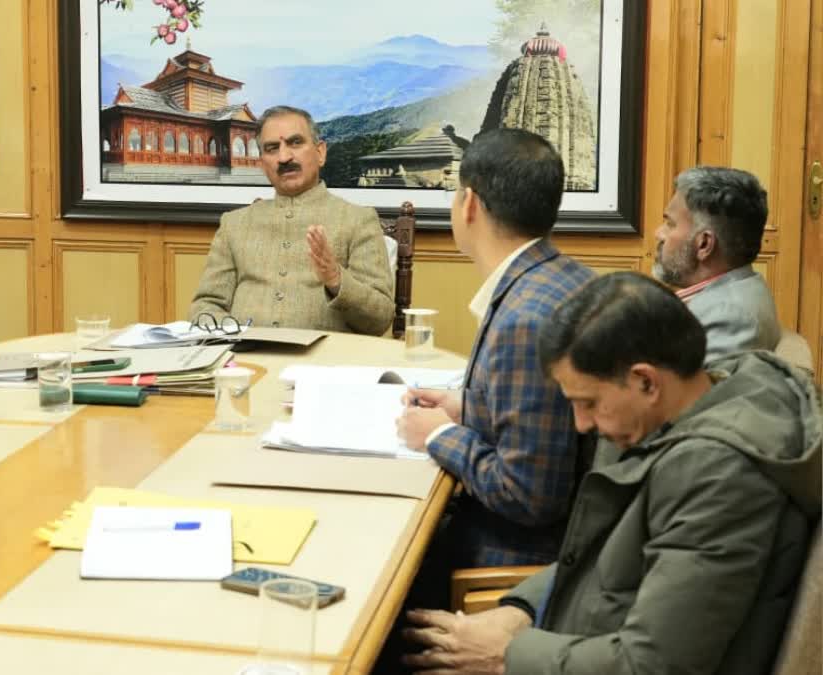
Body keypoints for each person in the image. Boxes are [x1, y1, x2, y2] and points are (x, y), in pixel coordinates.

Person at [402, 272, 819, 675]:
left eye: (589, 403)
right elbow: (602, 557)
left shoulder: (719, 476)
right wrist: (520, 611)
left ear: (645, 382)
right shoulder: (689, 415)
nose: (582, 424)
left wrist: (506, 656)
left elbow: (653, 665)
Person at [396, 128, 594, 573]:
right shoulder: (560, 276)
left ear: (468, 204)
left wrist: (437, 435)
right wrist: (465, 408)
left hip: (510, 561)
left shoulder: (525, 318)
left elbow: (527, 496)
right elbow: (545, 422)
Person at [188, 105, 394, 335]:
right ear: (262, 162)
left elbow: (380, 319)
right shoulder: (234, 224)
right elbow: (205, 306)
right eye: (272, 148)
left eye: (295, 143)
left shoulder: (358, 220)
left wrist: (336, 279)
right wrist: (235, 338)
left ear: (320, 152)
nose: (284, 157)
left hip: (326, 365)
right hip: (246, 362)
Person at [654, 166, 780, 361]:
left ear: (704, 244)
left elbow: (703, 391)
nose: (659, 234)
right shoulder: (740, 287)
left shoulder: (731, 317)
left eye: (670, 224)